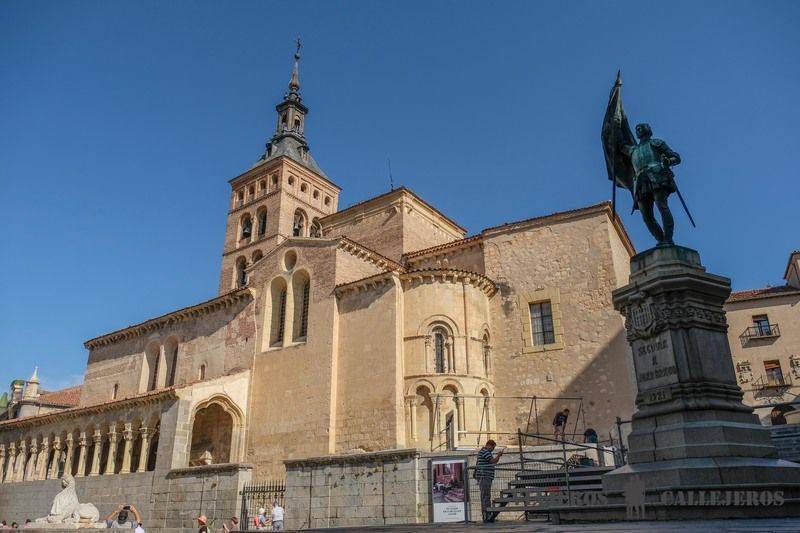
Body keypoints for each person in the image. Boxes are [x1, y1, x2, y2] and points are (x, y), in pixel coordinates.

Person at [475, 439, 504, 523]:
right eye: (493, 448)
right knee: (486, 496)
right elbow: (493, 461)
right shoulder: (485, 451)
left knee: (485, 496)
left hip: (485, 476)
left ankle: (487, 515)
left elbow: (492, 462)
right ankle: (486, 515)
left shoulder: (485, 451)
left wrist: (498, 456)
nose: (493, 450)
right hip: (485, 476)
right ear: (489, 445)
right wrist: (499, 455)